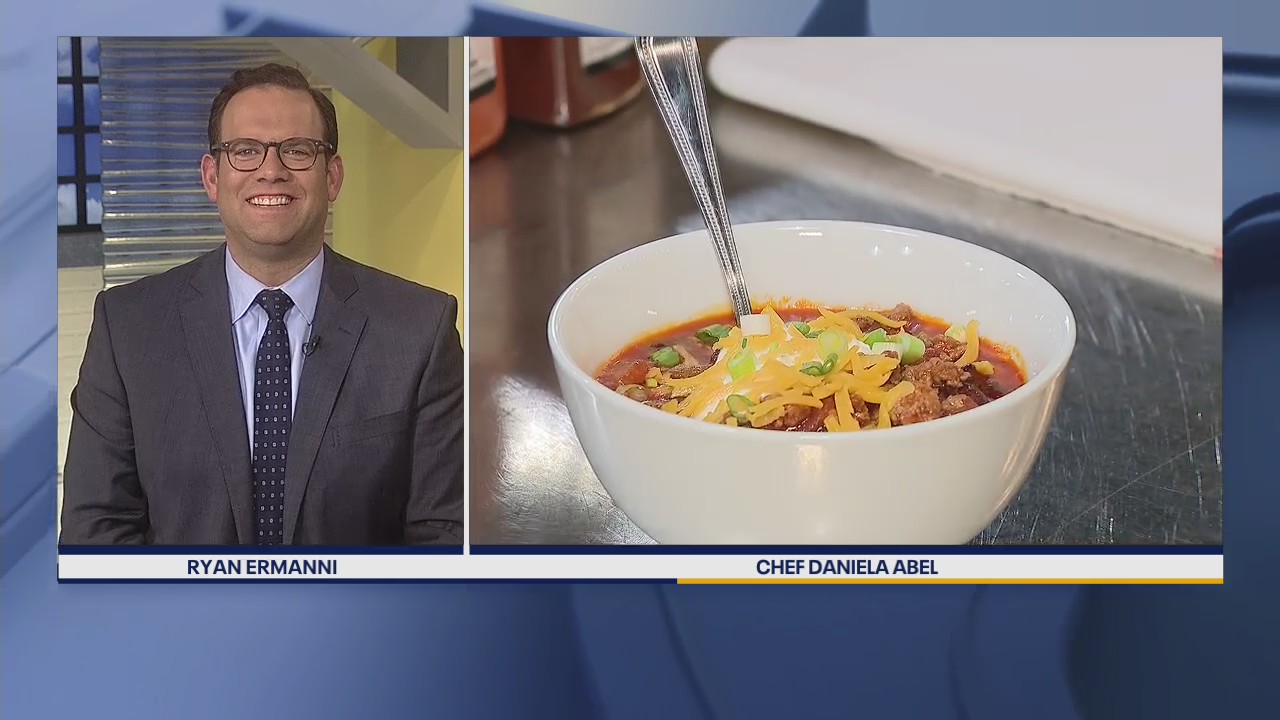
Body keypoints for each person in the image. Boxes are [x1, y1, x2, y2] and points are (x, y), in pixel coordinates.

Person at [59, 63, 463, 546]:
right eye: (245, 151)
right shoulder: (126, 327)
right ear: (212, 177)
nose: (271, 171)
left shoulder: (420, 328)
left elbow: (441, 533)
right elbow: (95, 531)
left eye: (297, 150)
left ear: (332, 177)